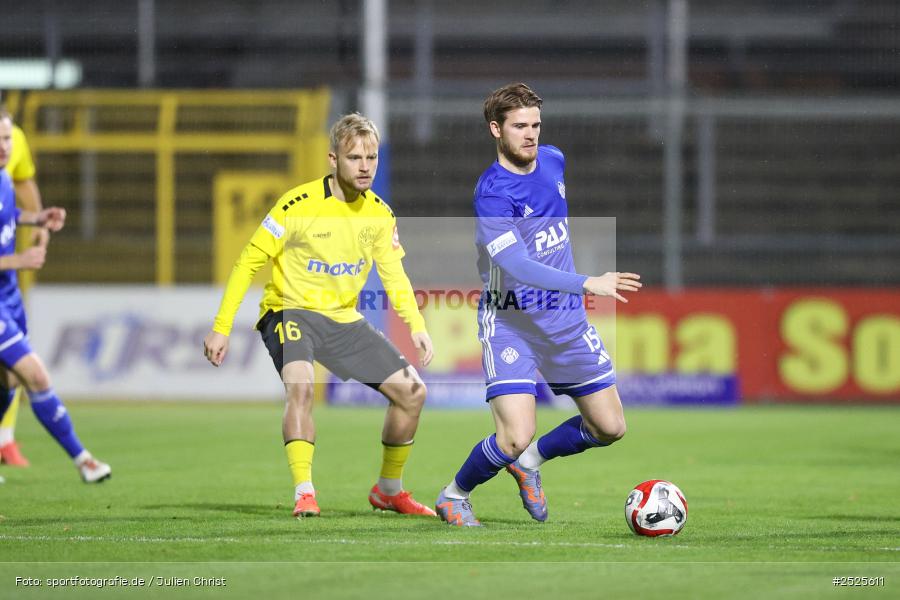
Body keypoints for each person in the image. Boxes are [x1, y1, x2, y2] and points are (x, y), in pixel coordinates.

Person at [204, 112, 436, 519]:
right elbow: (247, 262)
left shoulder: (379, 215)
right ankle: (305, 492)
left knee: (412, 393)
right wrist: (221, 328)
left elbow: (393, 274)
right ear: (333, 159)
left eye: (371, 158)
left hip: (341, 319)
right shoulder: (297, 205)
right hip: (289, 311)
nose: (364, 167)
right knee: (302, 387)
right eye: (354, 158)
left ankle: (388, 490)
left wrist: (416, 325)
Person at [434, 83, 642, 526]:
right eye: (519, 126)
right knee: (513, 436)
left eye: (535, 125)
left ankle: (529, 463)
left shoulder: (553, 160)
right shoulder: (492, 194)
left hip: (565, 322)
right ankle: (454, 494)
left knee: (610, 427)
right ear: (496, 129)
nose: (530, 134)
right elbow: (518, 266)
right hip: (512, 324)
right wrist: (588, 282)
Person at [0, 111, 111, 483]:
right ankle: (84, 460)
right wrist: (18, 260)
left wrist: (36, 218)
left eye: (7, 139)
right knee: (35, 374)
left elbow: (7, 213)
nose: (4, 147)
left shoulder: (3, 178)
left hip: (8, 295)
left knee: (9, 381)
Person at [0, 115, 48, 468]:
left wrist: (37, 219)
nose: (5, 145)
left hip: (5, 282)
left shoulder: (13, 135)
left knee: (13, 370)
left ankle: (5, 438)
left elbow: (22, 181)